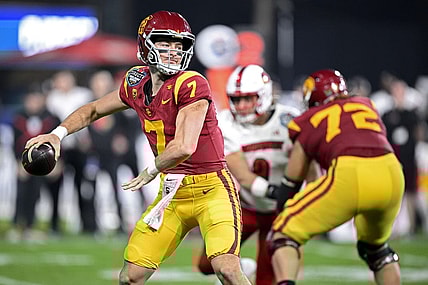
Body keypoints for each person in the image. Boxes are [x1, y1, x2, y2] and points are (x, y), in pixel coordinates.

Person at [25, 10, 251, 285]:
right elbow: (94, 109)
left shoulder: (191, 83)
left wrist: (151, 170)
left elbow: (185, 146)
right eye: (165, 44)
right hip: (173, 193)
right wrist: (57, 134)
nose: (173, 52)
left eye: (179, 46)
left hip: (211, 189)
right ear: (146, 45)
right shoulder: (136, 82)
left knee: (226, 268)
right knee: (130, 276)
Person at [268, 69, 404, 285]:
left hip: (351, 172)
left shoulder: (307, 119)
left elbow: (291, 180)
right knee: (376, 248)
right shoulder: (366, 105)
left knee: (282, 233)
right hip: (393, 172)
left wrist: (281, 208)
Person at [198, 64, 316, 284]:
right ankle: (243, 267)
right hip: (245, 207)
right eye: (236, 99)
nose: (240, 106)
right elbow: (242, 174)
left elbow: (310, 169)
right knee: (206, 264)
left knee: (266, 279)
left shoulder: (290, 121)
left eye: (247, 99)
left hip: (279, 213)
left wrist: (309, 198)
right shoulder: (226, 122)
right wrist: (278, 191)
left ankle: (247, 271)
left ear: (263, 96)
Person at [87, 70, 143, 233]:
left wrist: (123, 139)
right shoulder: (91, 104)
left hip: (125, 151)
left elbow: (131, 124)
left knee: (138, 181)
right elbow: (93, 129)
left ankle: (143, 215)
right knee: (105, 187)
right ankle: (111, 222)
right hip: (103, 154)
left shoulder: (119, 100)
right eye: (97, 83)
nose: (100, 87)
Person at [46, 70, 98, 234]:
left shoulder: (83, 95)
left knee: (83, 186)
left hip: (81, 147)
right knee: (55, 187)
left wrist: (88, 139)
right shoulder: (52, 98)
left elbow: (91, 117)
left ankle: (87, 224)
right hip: (60, 147)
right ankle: (54, 224)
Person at [10, 86, 63, 240]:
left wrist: (57, 162)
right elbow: (15, 143)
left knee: (43, 193)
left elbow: (59, 141)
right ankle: (18, 224)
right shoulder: (19, 117)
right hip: (25, 162)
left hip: (46, 162)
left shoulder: (52, 118)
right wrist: (18, 162)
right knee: (21, 193)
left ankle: (48, 225)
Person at [382, 78, 427, 236]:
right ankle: (393, 228)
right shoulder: (388, 115)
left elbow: (419, 133)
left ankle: (413, 227)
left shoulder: (411, 114)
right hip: (393, 161)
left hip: (409, 159)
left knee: (411, 193)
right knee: (393, 194)